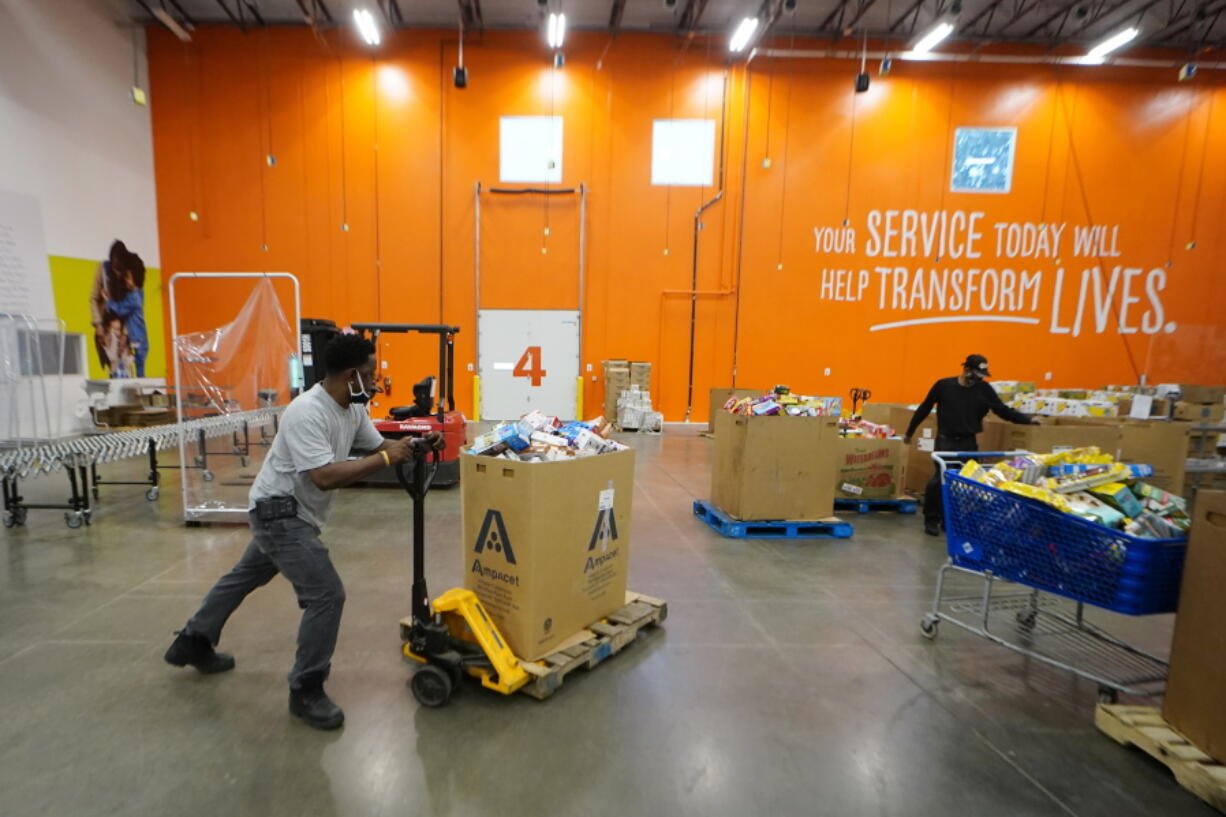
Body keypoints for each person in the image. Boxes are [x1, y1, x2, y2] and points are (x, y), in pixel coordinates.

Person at [163, 333, 443, 730]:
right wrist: (384, 457)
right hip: (279, 513)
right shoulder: (307, 412)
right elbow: (326, 476)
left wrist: (413, 443)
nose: (375, 379)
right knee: (326, 594)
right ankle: (306, 688)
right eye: (369, 373)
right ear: (350, 376)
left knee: (245, 576)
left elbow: (380, 445)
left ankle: (192, 641)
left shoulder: (352, 408)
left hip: (295, 511)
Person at [904, 354, 1039, 537]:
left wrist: (1028, 421)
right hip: (946, 440)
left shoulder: (984, 390)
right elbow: (924, 408)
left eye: (982, 374)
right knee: (939, 479)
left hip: (968, 441)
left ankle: (951, 520)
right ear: (966, 369)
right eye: (976, 373)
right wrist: (910, 432)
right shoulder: (944, 386)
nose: (979, 378)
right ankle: (931, 519)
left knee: (965, 481)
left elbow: (1003, 411)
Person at [104, 253, 149, 377]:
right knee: (135, 363)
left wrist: (109, 301)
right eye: (126, 277)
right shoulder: (138, 293)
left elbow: (120, 310)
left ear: (136, 278)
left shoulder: (134, 298)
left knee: (138, 364)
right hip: (138, 336)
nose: (126, 281)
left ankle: (139, 385)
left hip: (137, 337)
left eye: (128, 278)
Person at [90, 240, 128, 372]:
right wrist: (98, 324)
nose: (117, 272)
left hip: (122, 327)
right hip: (106, 326)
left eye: (120, 269)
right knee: (112, 367)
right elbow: (93, 298)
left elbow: (132, 310)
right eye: (114, 267)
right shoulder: (103, 269)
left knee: (126, 367)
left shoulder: (129, 275)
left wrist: (124, 334)